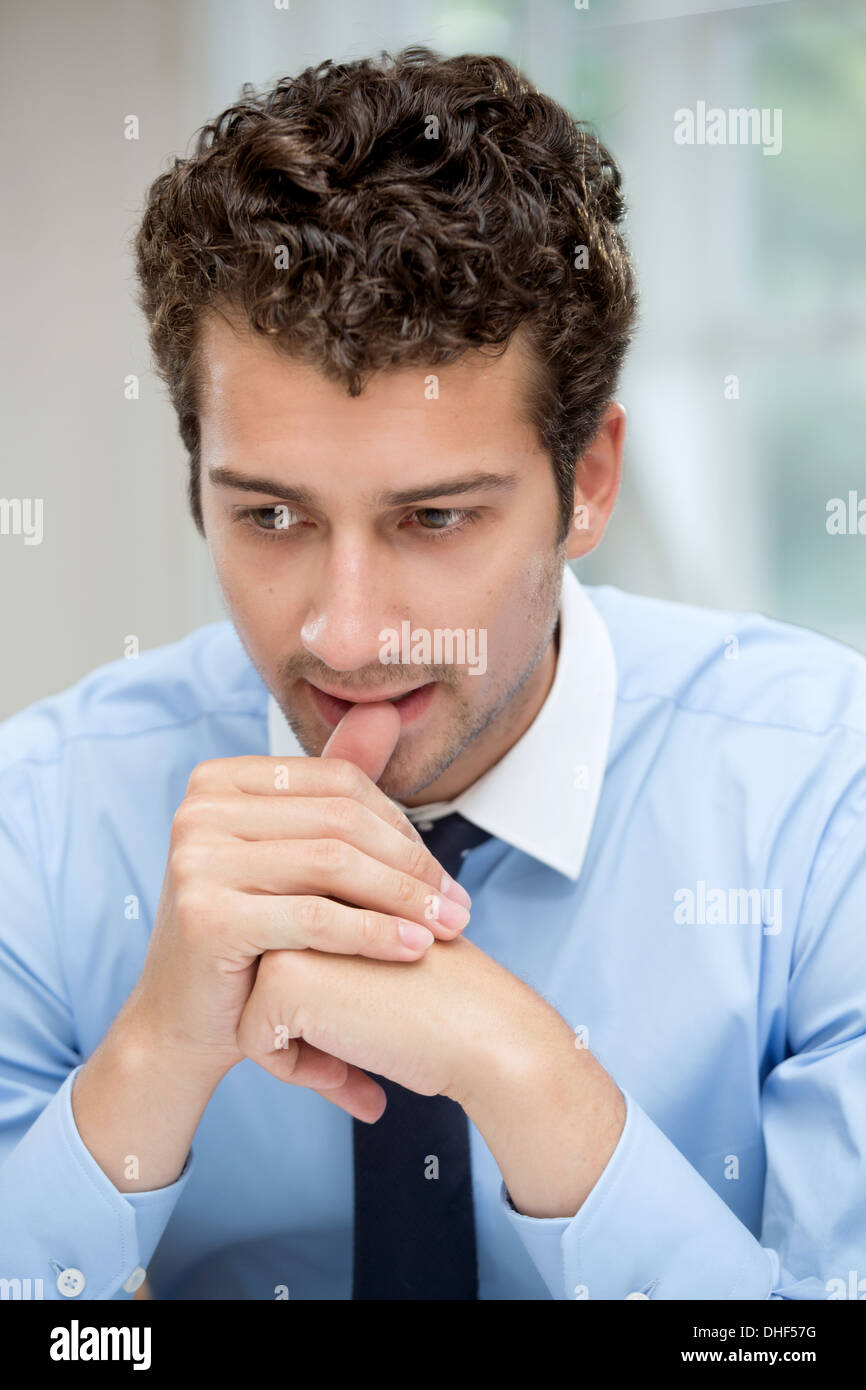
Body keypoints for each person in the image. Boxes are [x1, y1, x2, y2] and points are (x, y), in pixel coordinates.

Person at [1, 46, 863, 1302]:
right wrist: (147, 1066)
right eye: (271, 516)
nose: (346, 636)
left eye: (436, 518)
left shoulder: (826, 799)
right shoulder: (39, 817)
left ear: (588, 483)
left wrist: (530, 1079)